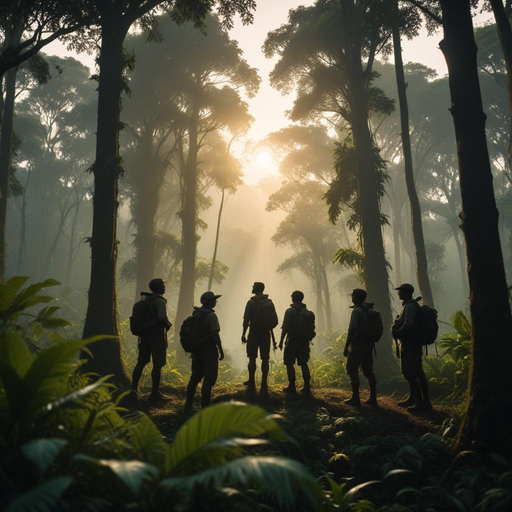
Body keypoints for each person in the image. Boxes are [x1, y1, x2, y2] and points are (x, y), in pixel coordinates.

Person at [392, 283, 432, 411]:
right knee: (415, 371)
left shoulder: (410, 306)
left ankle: (420, 402)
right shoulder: (410, 305)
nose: (399, 293)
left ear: (407, 293)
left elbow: (408, 324)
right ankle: (415, 399)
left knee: (412, 371)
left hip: (411, 343)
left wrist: (398, 332)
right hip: (411, 342)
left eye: (401, 291)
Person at [131, 278, 172, 402]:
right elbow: (162, 318)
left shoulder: (143, 302)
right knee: (158, 364)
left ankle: (133, 390)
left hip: (144, 336)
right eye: (162, 285)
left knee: (141, 362)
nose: (164, 287)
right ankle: (155, 393)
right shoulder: (159, 301)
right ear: (157, 287)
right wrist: (168, 325)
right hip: (156, 337)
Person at [184, 291, 225, 412]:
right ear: (210, 303)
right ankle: (205, 407)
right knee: (208, 379)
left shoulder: (195, 314)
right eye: (214, 300)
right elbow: (214, 334)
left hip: (196, 351)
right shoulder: (211, 316)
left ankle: (188, 404)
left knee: (194, 378)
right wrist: (220, 349)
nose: (215, 302)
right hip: (208, 350)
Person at [343, 288, 378, 407]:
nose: (351, 297)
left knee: (352, 369)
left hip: (357, 344)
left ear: (357, 297)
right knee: (369, 371)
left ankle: (355, 398)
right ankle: (373, 398)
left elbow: (352, 329)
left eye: (353, 296)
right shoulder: (369, 309)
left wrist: (346, 346)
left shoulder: (357, 311)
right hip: (368, 344)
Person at [241, 282, 277, 390]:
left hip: (254, 333)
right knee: (265, 359)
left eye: (253, 287)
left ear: (255, 289)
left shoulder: (251, 302)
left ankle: (251, 381)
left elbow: (246, 320)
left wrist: (243, 333)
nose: (251, 288)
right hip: (266, 333)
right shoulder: (269, 302)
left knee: (252, 358)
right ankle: (264, 383)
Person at [279, 290, 315, 394]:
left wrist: (281, 341)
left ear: (293, 298)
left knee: (289, 363)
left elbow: (285, 328)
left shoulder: (289, 311)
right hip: (303, 341)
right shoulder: (307, 312)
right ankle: (307, 386)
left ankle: (292, 386)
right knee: (304, 363)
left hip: (292, 340)